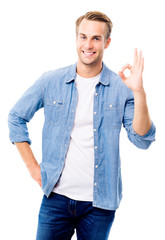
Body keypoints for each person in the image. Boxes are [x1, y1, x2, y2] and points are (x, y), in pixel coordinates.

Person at [8, 11, 156, 240]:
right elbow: (16, 117)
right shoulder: (51, 81)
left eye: (96, 38)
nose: (88, 44)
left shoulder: (120, 87)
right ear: (76, 39)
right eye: (83, 37)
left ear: (107, 42)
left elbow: (142, 139)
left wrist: (138, 91)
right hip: (55, 198)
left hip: (100, 204)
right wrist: (33, 168)